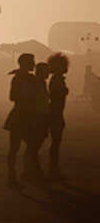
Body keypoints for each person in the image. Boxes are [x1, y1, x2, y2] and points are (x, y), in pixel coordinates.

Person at [4, 53, 40, 189]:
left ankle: (14, 177)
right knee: (25, 148)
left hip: (23, 116)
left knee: (22, 148)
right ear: (25, 64)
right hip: (21, 116)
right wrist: (27, 95)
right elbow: (12, 97)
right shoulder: (19, 79)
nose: (34, 64)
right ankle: (33, 176)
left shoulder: (27, 78)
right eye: (32, 62)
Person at [47, 52, 69, 181]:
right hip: (56, 113)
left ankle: (53, 168)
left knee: (55, 143)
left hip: (56, 112)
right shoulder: (58, 80)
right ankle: (53, 169)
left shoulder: (56, 79)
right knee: (55, 143)